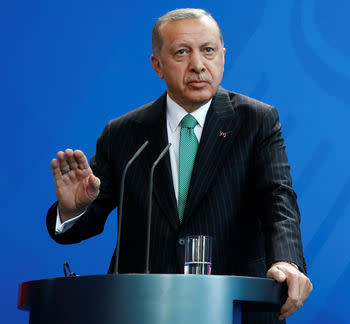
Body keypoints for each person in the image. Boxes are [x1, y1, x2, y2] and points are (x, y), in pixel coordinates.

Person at [46, 8, 312, 323]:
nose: (198, 65)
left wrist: (286, 262)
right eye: (182, 52)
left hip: (233, 308)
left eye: (208, 51)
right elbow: (82, 225)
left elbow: (277, 198)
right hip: (139, 309)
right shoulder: (123, 133)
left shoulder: (256, 121)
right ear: (158, 65)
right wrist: (73, 210)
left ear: (223, 56)